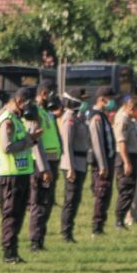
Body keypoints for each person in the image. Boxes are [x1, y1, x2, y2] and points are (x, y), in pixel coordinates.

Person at [0, 87, 44, 263]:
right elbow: (7, 147)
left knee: (19, 214)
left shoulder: (16, 119)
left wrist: (30, 137)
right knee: (11, 215)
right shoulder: (7, 120)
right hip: (10, 174)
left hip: (20, 173)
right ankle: (9, 253)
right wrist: (29, 140)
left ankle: (13, 250)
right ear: (20, 101)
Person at [27, 86, 62, 252]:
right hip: (42, 163)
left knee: (47, 203)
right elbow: (36, 141)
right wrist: (43, 167)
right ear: (44, 93)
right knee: (39, 203)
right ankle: (35, 241)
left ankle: (40, 238)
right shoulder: (35, 112)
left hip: (51, 162)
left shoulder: (46, 112)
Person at [57, 92, 90, 243]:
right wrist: (70, 167)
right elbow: (67, 145)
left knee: (76, 198)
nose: (83, 103)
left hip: (81, 162)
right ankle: (66, 232)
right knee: (70, 199)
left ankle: (69, 230)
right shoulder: (69, 119)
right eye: (81, 100)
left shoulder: (79, 118)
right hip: (73, 163)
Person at [112, 94, 137, 230]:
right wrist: (127, 162)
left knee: (129, 190)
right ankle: (119, 220)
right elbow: (121, 142)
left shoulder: (130, 119)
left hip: (132, 156)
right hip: (125, 157)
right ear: (131, 108)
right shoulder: (123, 119)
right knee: (125, 189)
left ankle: (122, 219)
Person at [88, 86, 117, 234]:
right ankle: (97, 227)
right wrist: (102, 165)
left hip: (108, 159)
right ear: (102, 99)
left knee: (106, 193)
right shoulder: (96, 117)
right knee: (101, 193)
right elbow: (97, 143)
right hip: (102, 163)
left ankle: (101, 224)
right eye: (110, 99)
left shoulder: (103, 116)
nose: (111, 102)